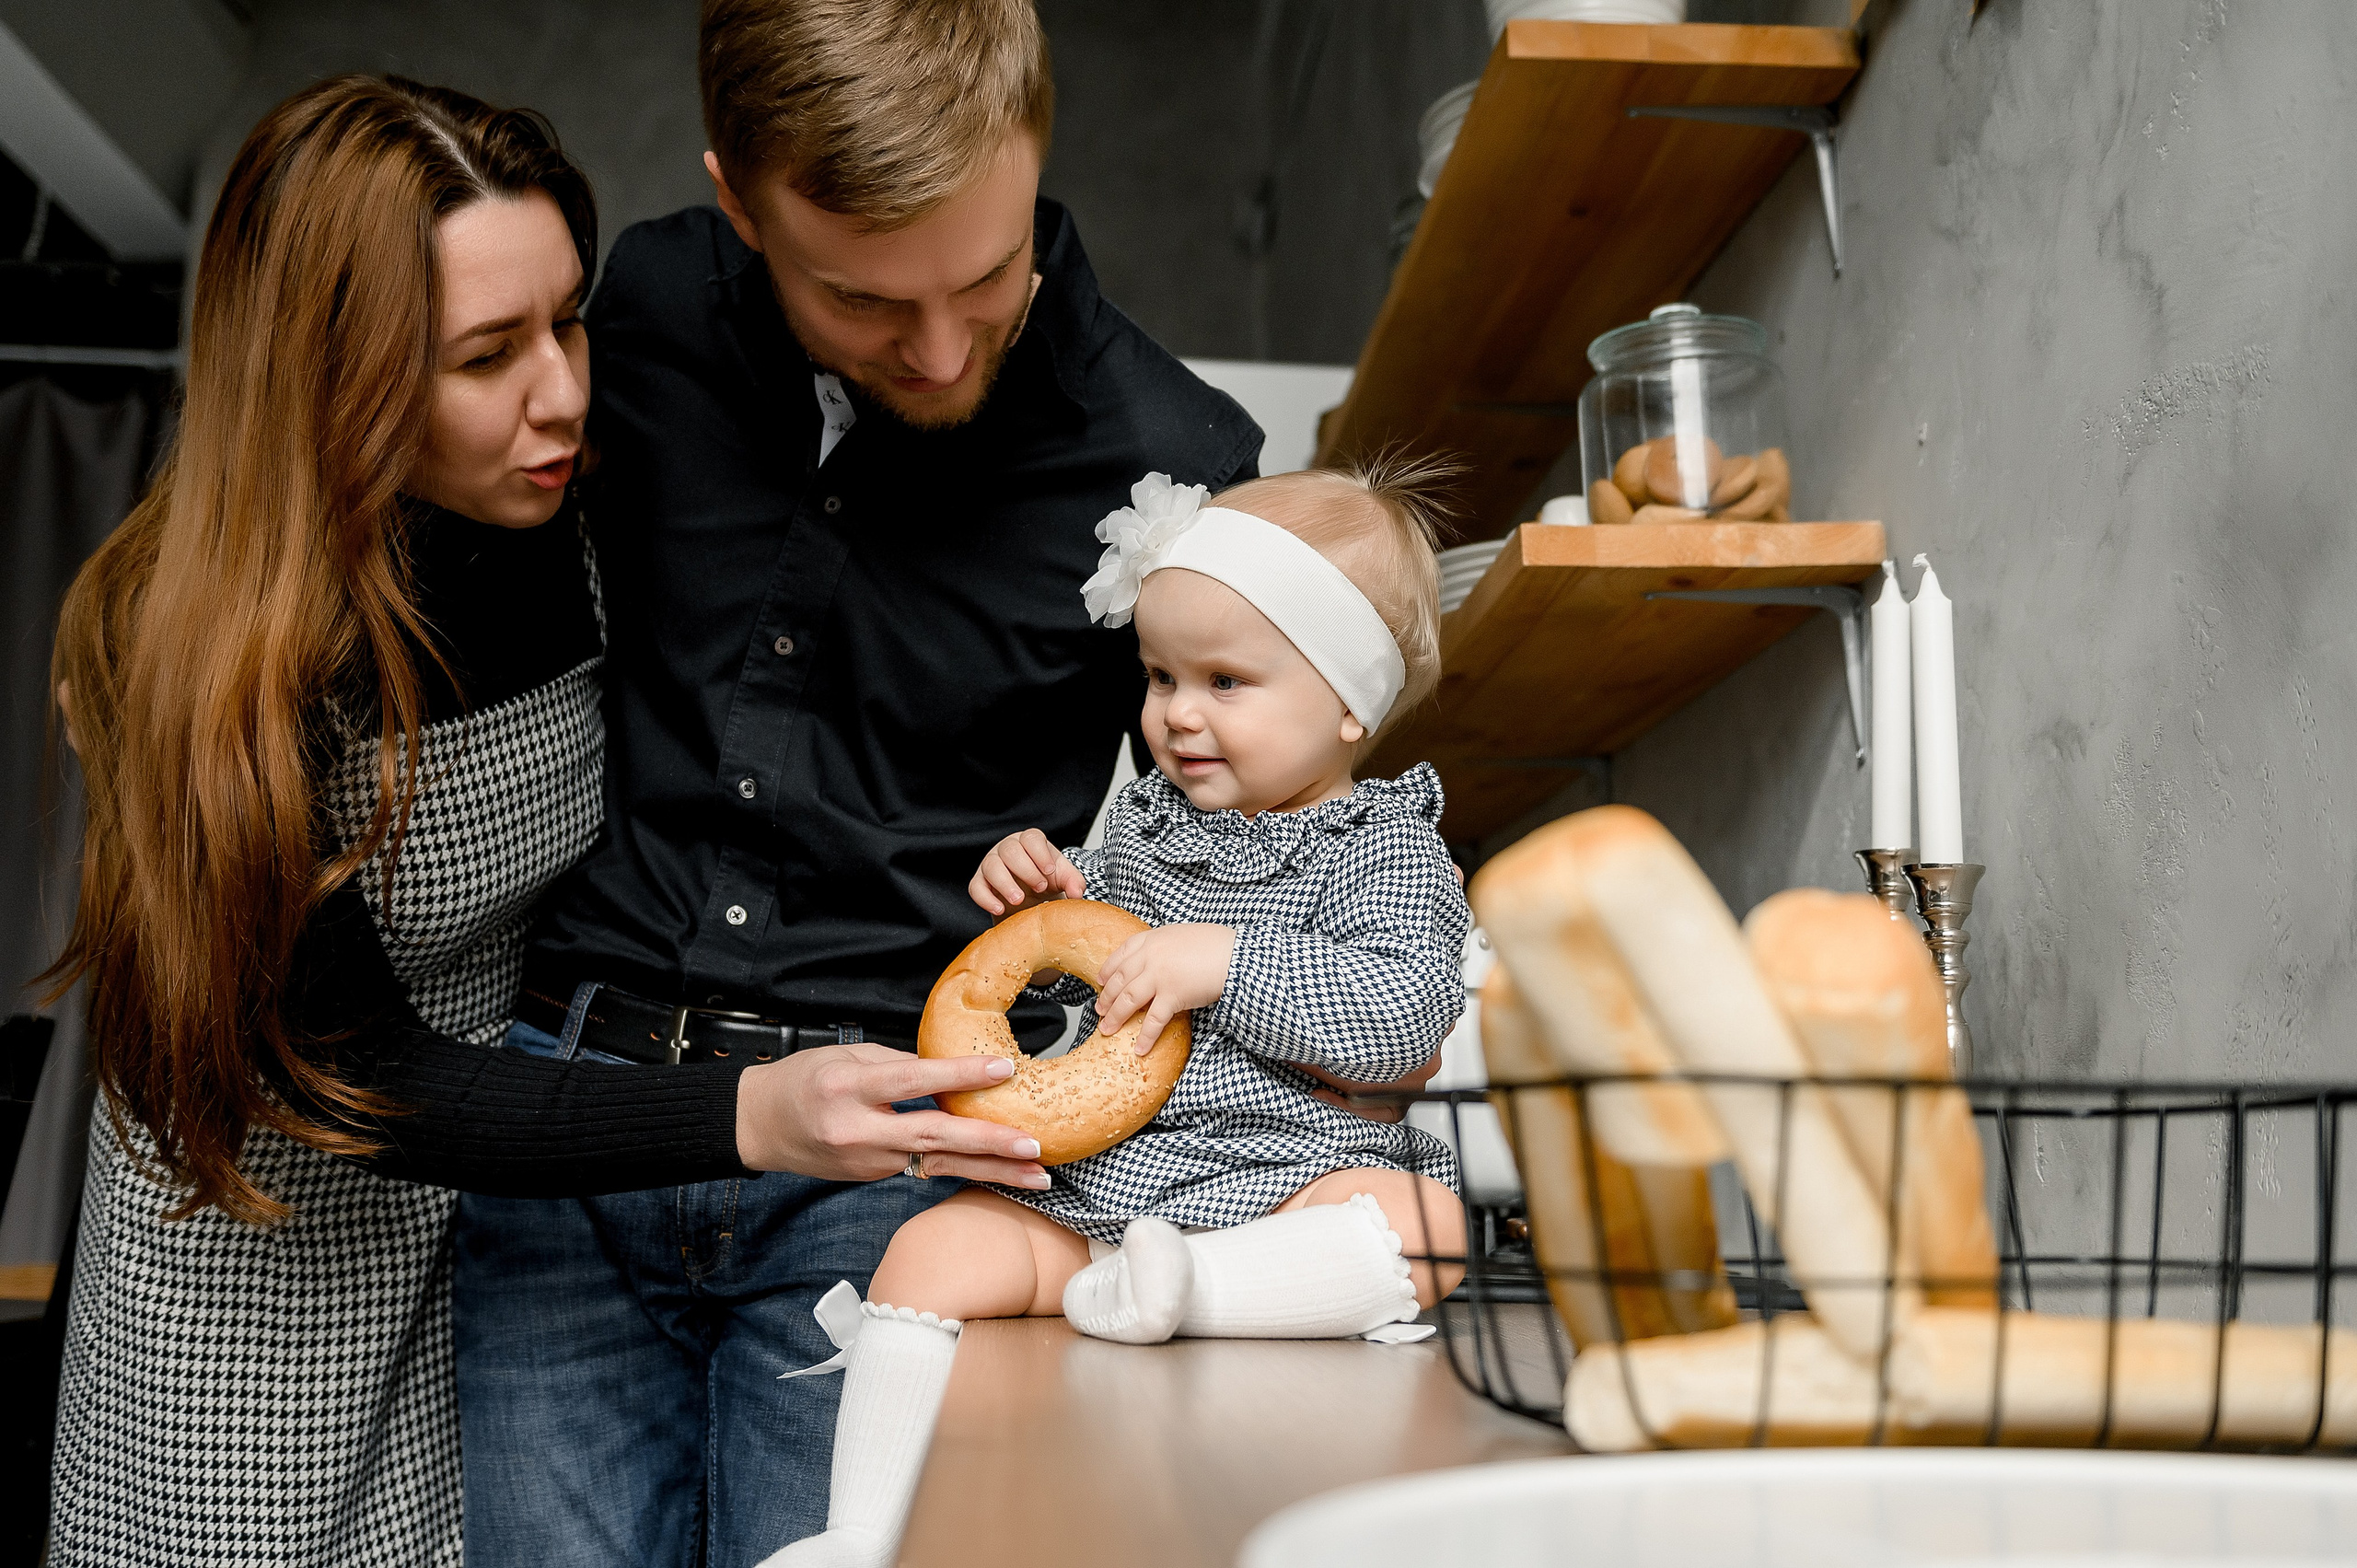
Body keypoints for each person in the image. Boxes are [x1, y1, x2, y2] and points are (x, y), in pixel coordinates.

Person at [447, 1, 1434, 1561]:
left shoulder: (1177, 464)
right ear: (735, 200)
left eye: (984, 279)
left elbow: (1235, 853)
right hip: (575, 1121)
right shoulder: (630, 311)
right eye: (859, 298)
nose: (941, 348)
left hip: (890, 1169)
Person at [39, 75, 1032, 1568]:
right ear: (335, 376)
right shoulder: (206, 650)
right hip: (251, 1306)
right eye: (484, 356)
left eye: (567, 323)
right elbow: (350, 1072)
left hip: (476, 1237)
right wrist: (750, 1112)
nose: (561, 392)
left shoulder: (561, 518)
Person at [773, 461, 1473, 1568]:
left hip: (1284, 1194)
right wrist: (1045, 891)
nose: (1177, 715)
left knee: (1431, 1222)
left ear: (1349, 702)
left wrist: (1229, 961)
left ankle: (1194, 1288)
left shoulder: (1384, 849)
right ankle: (865, 1531)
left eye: (1224, 682)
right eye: (1158, 676)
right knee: (927, 1250)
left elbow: (1399, 1020)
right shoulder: (1144, 831)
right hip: (1104, 1201)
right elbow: (1073, 979)